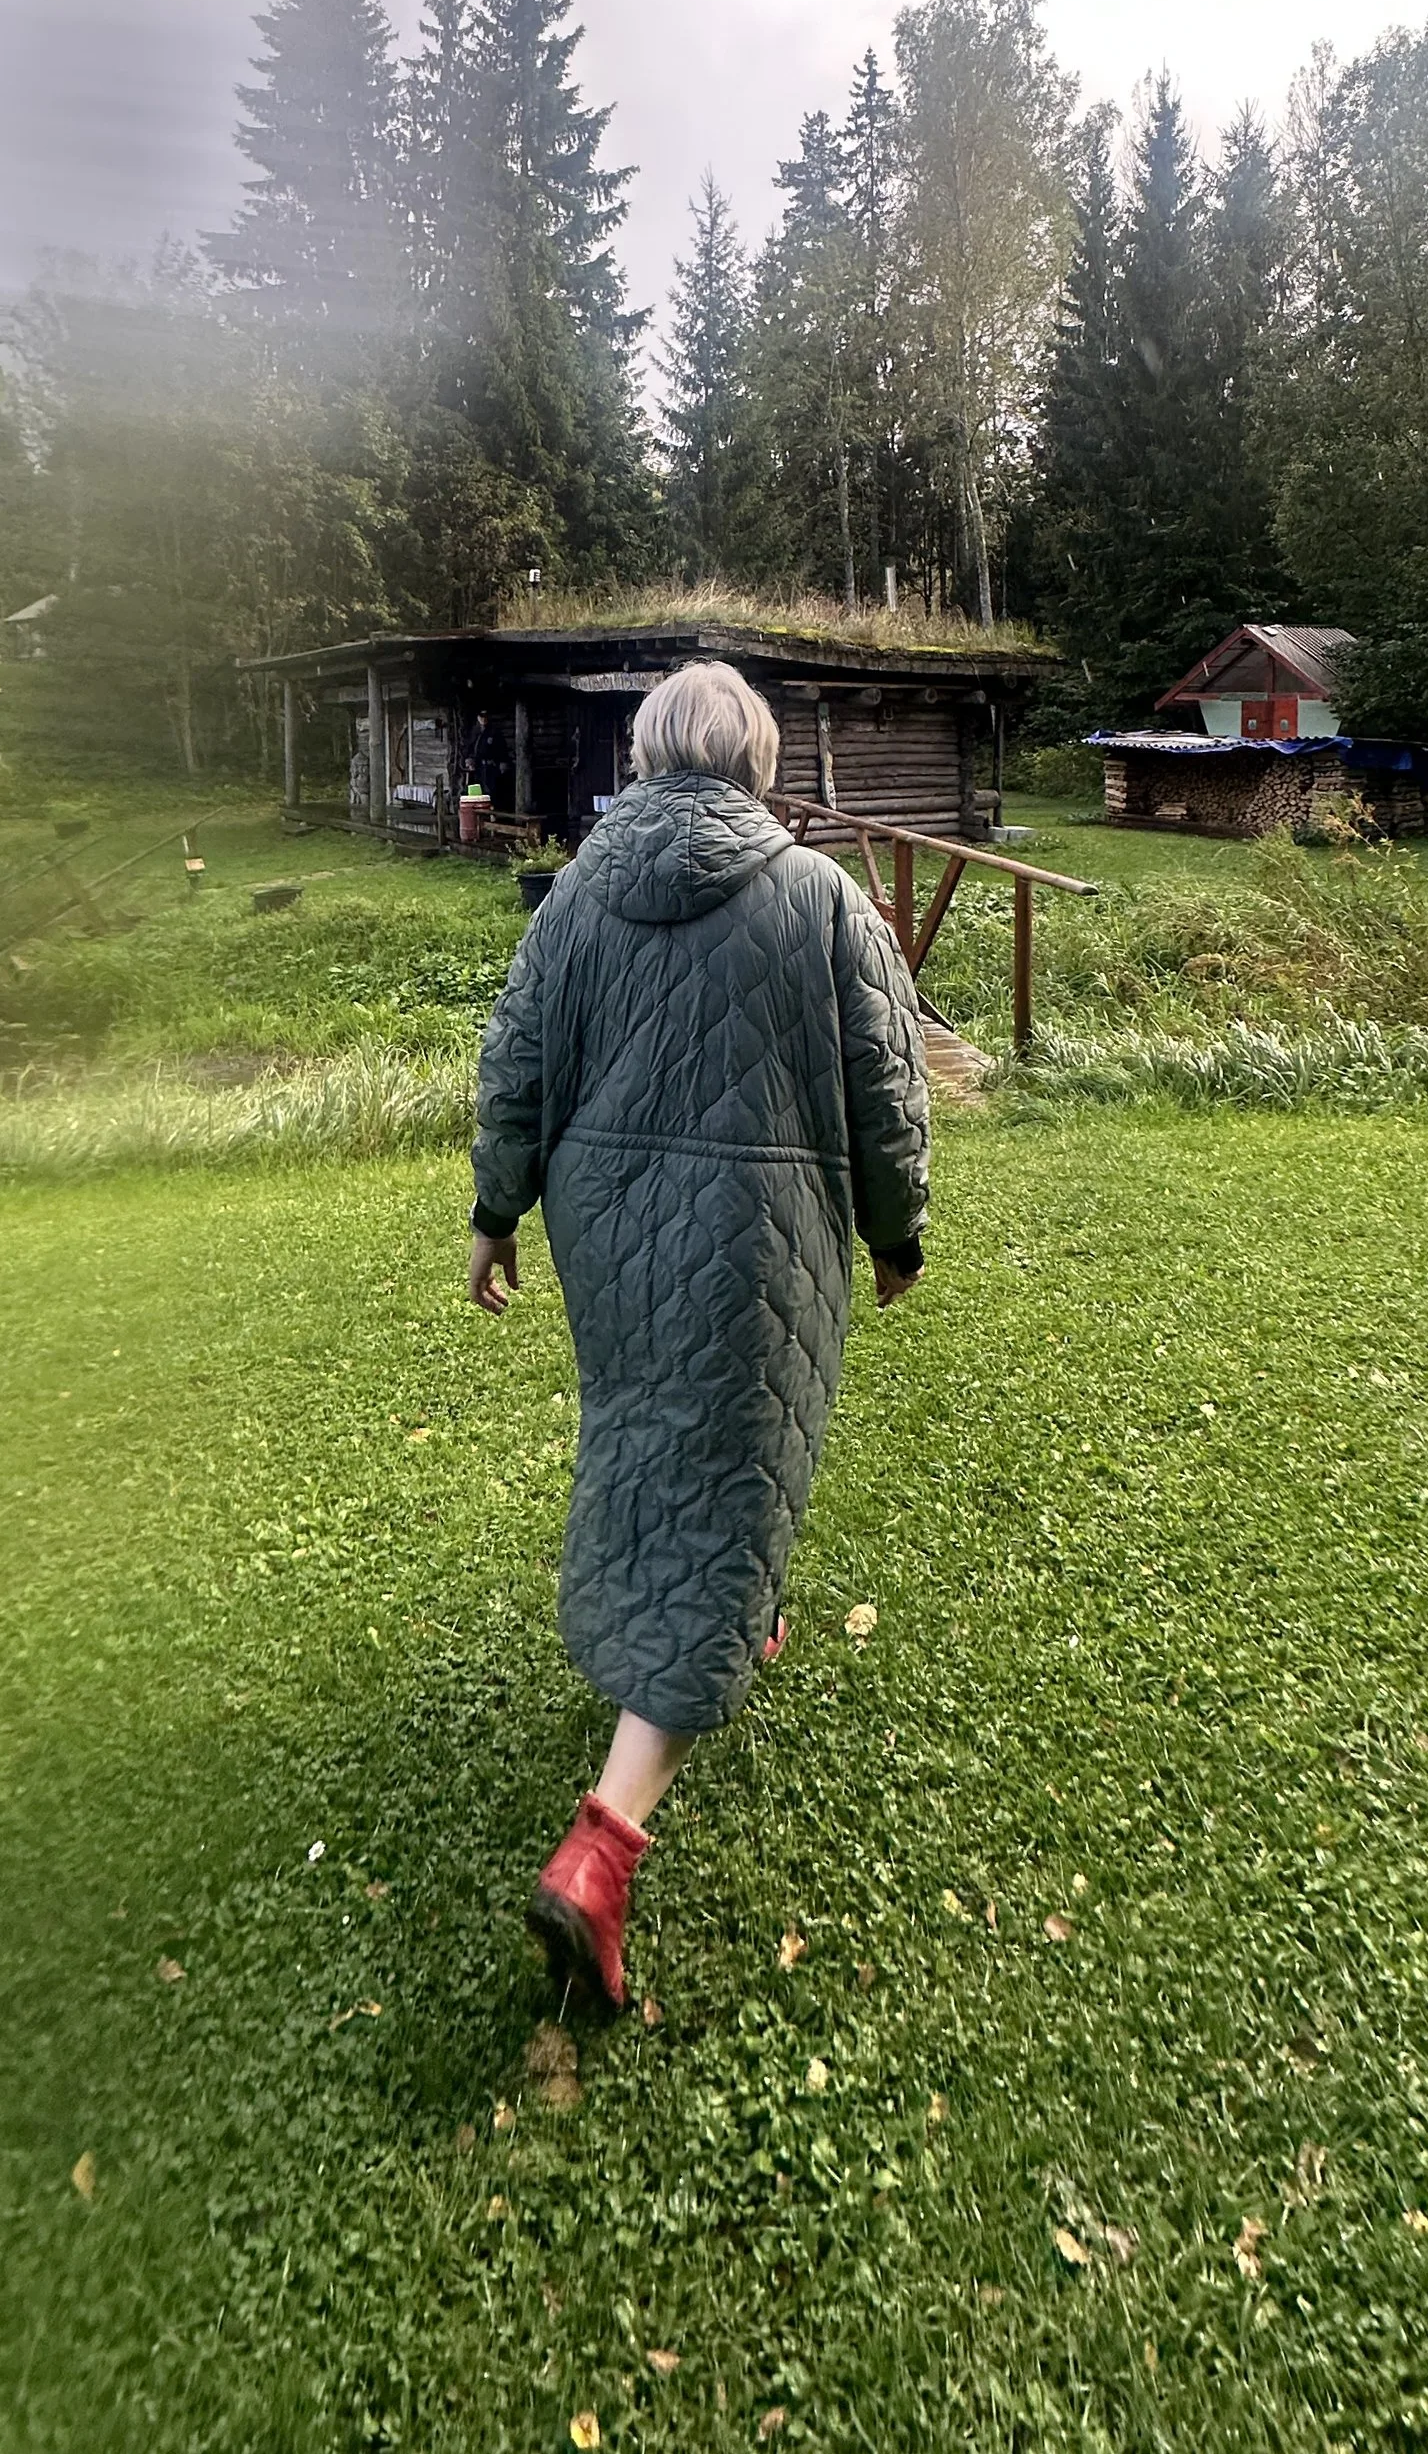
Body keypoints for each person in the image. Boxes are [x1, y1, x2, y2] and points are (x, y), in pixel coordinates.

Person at [467, 658, 930, 2015]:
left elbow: (517, 1057)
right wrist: (897, 1234)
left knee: (664, 1431)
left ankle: (732, 1614)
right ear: (755, 761)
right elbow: (885, 1081)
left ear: (651, 753)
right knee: (734, 1459)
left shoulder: (576, 899)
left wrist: (497, 1209)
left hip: (607, 1232)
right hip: (760, 1229)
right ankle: (603, 1849)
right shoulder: (822, 896)